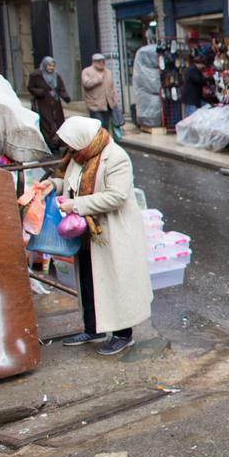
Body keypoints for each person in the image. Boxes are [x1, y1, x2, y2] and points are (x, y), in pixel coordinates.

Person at [54, 117, 153, 357]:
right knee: (89, 281)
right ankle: (93, 328)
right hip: (86, 232)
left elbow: (116, 196)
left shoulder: (116, 157)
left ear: (83, 140)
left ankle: (122, 334)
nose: (70, 151)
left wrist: (75, 205)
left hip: (112, 231)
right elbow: (68, 182)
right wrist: (52, 186)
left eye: (73, 145)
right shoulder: (80, 157)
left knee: (115, 283)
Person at [27, 56, 70, 152]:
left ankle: (57, 143)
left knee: (57, 123)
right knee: (47, 123)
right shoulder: (36, 75)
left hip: (55, 104)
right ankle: (50, 145)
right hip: (43, 104)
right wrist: (39, 92)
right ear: (45, 65)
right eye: (49, 65)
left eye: (53, 66)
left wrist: (65, 97)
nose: (51, 68)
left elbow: (61, 88)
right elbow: (30, 87)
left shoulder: (56, 76)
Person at [81, 54, 119, 132]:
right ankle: (98, 142)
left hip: (107, 105)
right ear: (93, 62)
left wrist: (114, 101)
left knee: (106, 125)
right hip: (94, 106)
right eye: (99, 62)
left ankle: (104, 142)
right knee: (98, 126)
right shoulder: (87, 71)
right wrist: (98, 79)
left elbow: (112, 88)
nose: (101, 63)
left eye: (103, 61)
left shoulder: (108, 72)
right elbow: (86, 84)